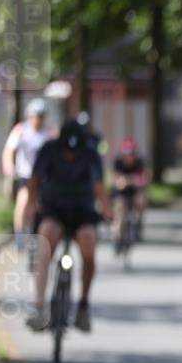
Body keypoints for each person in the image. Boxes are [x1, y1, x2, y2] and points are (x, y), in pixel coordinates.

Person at [25, 119, 113, 333]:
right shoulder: (49, 150)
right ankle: (39, 306)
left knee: (89, 245)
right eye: (67, 151)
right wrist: (30, 204)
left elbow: (99, 186)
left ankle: (83, 305)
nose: (71, 156)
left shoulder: (91, 154)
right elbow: (35, 179)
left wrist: (107, 209)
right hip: (54, 210)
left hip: (83, 212)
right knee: (45, 241)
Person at [2, 98, 54, 246]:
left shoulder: (49, 133)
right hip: (25, 175)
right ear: (29, 116)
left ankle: (40, 233)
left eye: (41, 116)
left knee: (44, 205)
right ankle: (19, 234)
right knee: (23, 201)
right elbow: (8, 150)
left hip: (44, 177)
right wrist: (9, 166)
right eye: (36, 116)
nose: (38, 119)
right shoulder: (20, 130)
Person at [112, 137, 147, 244]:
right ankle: (117, 237)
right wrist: (131, 180)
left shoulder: (139, 162)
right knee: (119, 209)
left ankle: (138, 224)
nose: (128, 158)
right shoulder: (118, 162)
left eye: (130, 154)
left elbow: (142, 180)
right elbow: (116, 181)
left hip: (135, 191)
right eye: (126, 155)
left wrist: (128, 180)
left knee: (141, 201)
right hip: (122, 193)